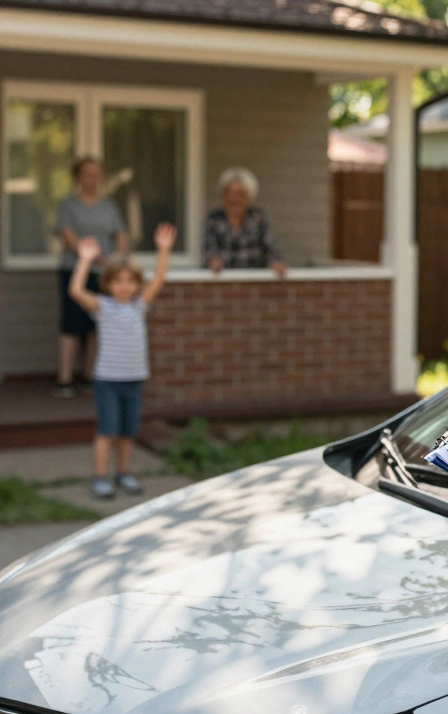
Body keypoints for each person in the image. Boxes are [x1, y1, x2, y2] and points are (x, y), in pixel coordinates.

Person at [68, 223, 176, 500]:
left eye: (130, 281)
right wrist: (84, 260)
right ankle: (100, 477)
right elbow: (76, 292)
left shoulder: (139, 305)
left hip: (134, 378)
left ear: (137, 284)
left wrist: (163, 251)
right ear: (108, 284)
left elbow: (159, 279)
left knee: (128, 433)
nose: (124, 287)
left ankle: (124, 473)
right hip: (108, 381)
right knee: (107, 431)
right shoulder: (103, 307)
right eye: (118, 281)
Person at [54, 156, 129, 399]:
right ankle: (65, 379)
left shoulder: (109, 205)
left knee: (97, 324)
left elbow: (120, 234)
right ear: (78, 177)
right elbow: (68, 235)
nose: (93, 179)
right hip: (74, 271)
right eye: (88, 174)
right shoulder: (68, 205)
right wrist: (93, 258)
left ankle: (89, 376)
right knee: (72, 323)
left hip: (105, 274)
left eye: (97, 174)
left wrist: (119, 261)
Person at [202, 167, 287, 276]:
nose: (234, 199)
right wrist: (213, 262)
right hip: (223, 284)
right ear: (223, 196)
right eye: (230, 193)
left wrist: (275, 263)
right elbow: (209, 251)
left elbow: (271, 249)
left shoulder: (258, 218)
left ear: (249, 197)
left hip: (254, 283)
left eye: (240, 194)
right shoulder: (213, 220)